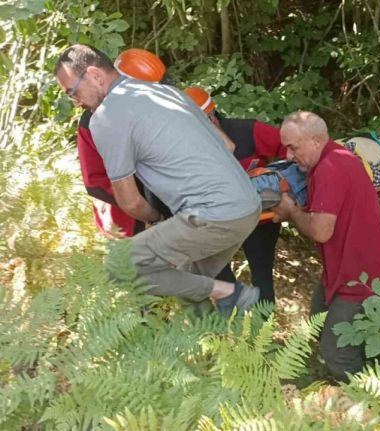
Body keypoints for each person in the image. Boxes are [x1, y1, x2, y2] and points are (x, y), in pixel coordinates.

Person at [54, 44, 261, 317]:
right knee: (189, 285)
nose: (76, 102)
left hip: (213, 215)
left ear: (94, 74)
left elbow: (130, 202)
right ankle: (217, 348)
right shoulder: (166, 92)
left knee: (121, 266)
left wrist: (154, 219)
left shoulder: (105, 118)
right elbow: (228, 145)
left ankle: (231, 293)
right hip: (248, 207)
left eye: (73, 91)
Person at [272, 111, 380, 381]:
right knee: (318, 321)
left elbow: (320, 230)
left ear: (316, 140)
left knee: (337, 353)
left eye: (293, 147)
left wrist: (292, 211)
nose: (289, 156)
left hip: (361, 278)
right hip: (346, 272)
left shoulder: (330, 168)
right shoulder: (334, 159)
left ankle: (373, 406)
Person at [184, 86, 287, 305]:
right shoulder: (188, 147)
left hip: (260, 218)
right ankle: (232, 327)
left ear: (211, 117)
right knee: (220, 276)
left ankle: (262, 330)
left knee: (262, 274)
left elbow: (291, 149)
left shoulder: (249, 131)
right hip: (218, 221)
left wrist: (287, 189)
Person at [77, 48, 170, 238]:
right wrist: (146, 212)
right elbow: (95, 181)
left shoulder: (166, 104)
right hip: (134, 218)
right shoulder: (93, 122)